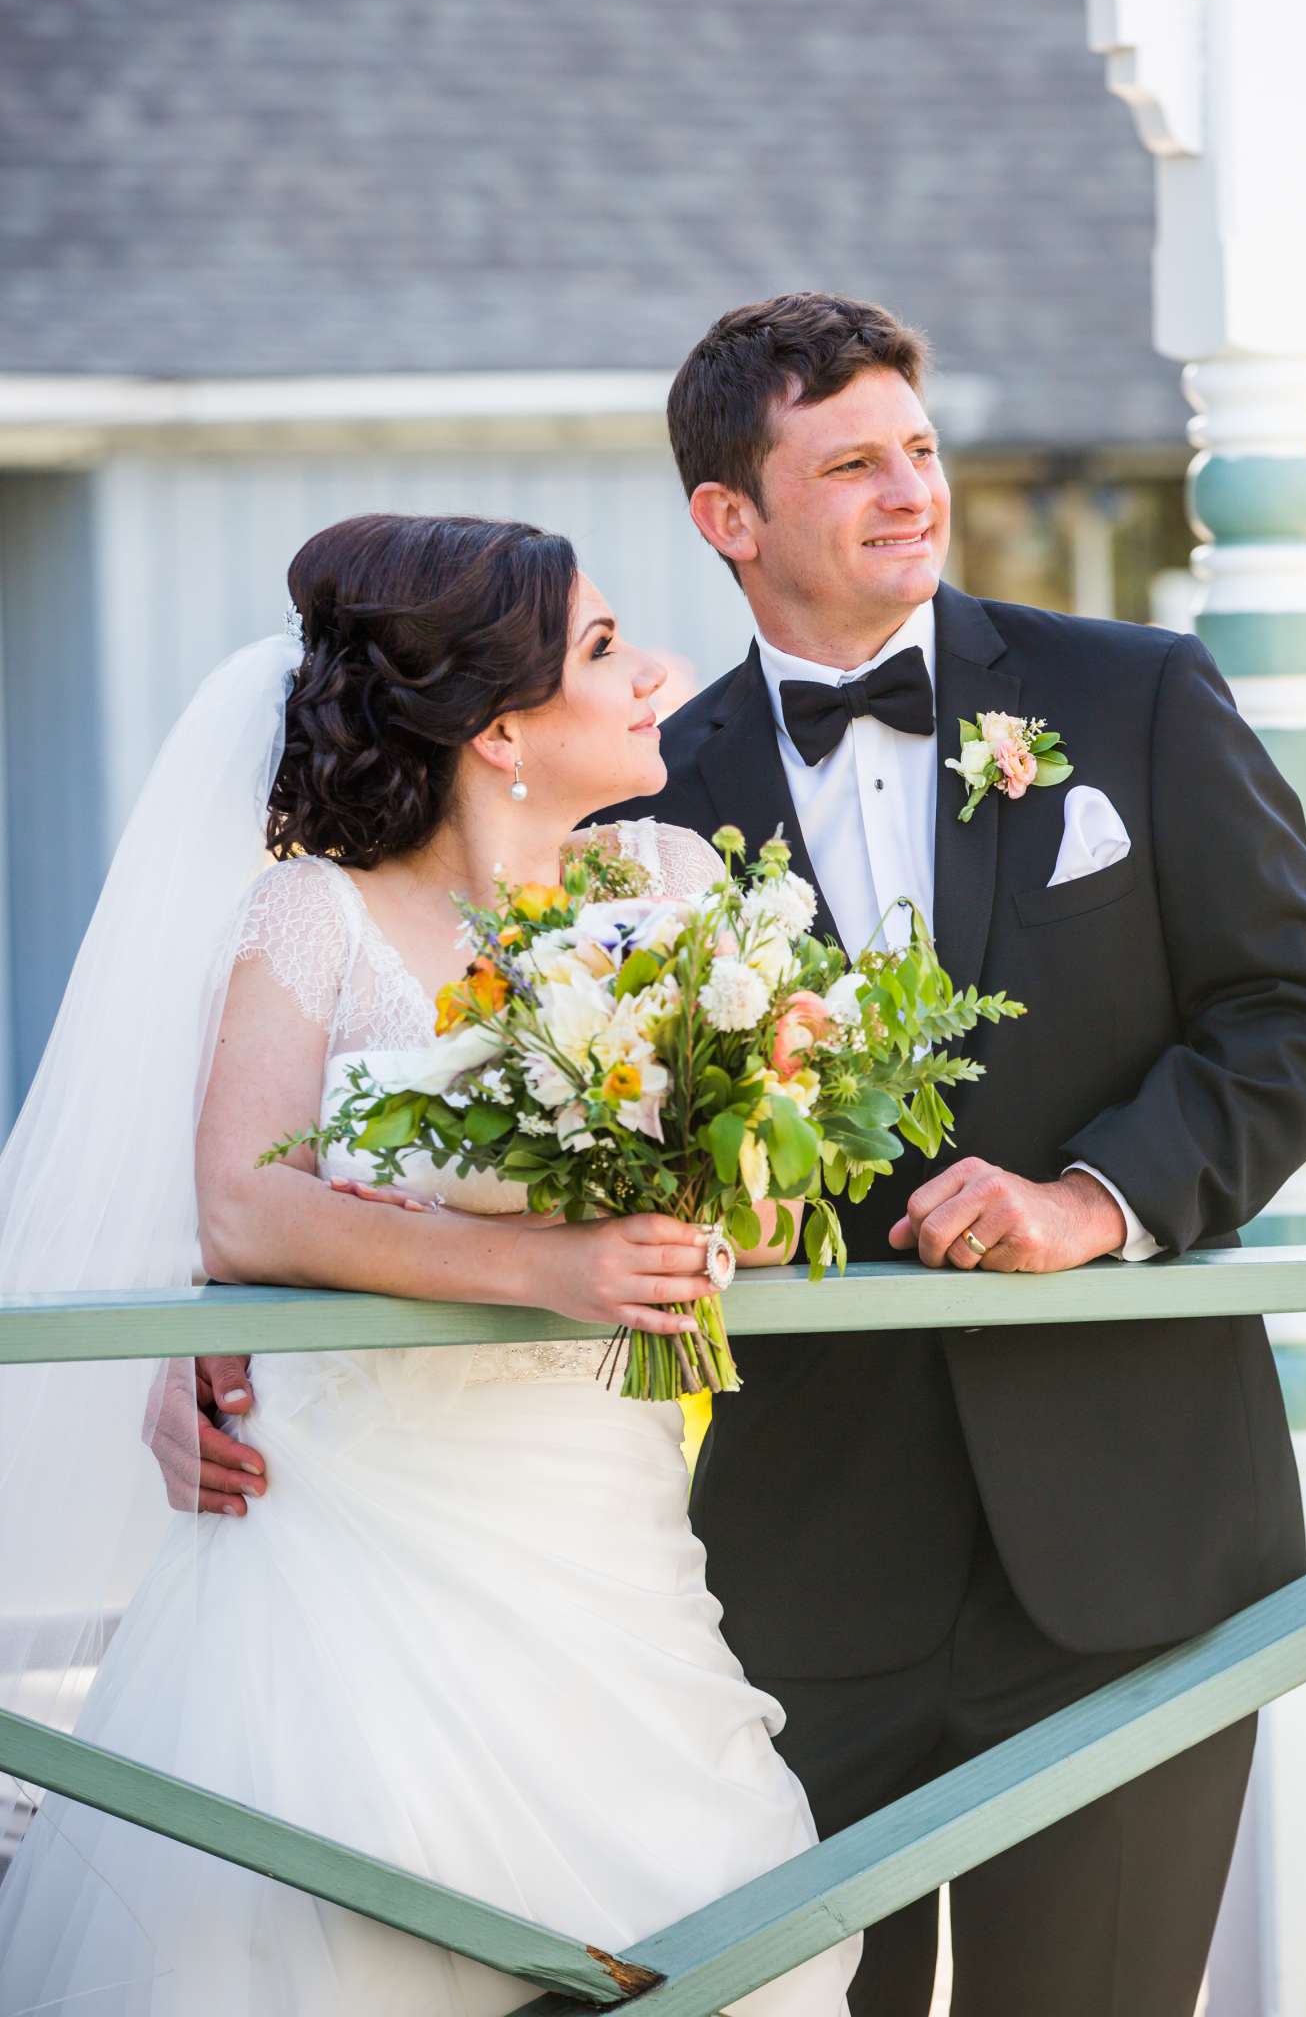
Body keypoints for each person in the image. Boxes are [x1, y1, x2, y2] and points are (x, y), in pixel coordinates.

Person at [594, 292, 1306, 2017]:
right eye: (852, 463)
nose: (910, 491)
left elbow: (1300, 1016)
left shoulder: (1137, 696)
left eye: (920, 449)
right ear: (729, 518)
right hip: (799, 1578)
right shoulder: (642, 796)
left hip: (1134, 1552)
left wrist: (1091, 1200)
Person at [0, 511, 857, 2017]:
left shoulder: (666, 886)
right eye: (602, 648)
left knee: (722, 1942)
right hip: (343, 1540)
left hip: (602, 1534)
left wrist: (738, 1201)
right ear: (504, 729)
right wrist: (554, 1269)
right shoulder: (312, 913)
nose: (656, 669)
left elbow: (772, 1189)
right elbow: (246, 1213)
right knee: (331, 1945)